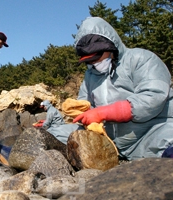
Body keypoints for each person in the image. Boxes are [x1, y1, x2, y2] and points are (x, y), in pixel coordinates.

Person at [67, 16, 173, 160]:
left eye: (97, 56)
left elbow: (152, 98)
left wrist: (103, 112)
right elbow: (85, 104)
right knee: (58, 133)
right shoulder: (90, 75)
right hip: (112, 142)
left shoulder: (140, 58)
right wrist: (80, 111)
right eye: (89, 60)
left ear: (111, 46)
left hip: (152, 132)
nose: (94, 62)